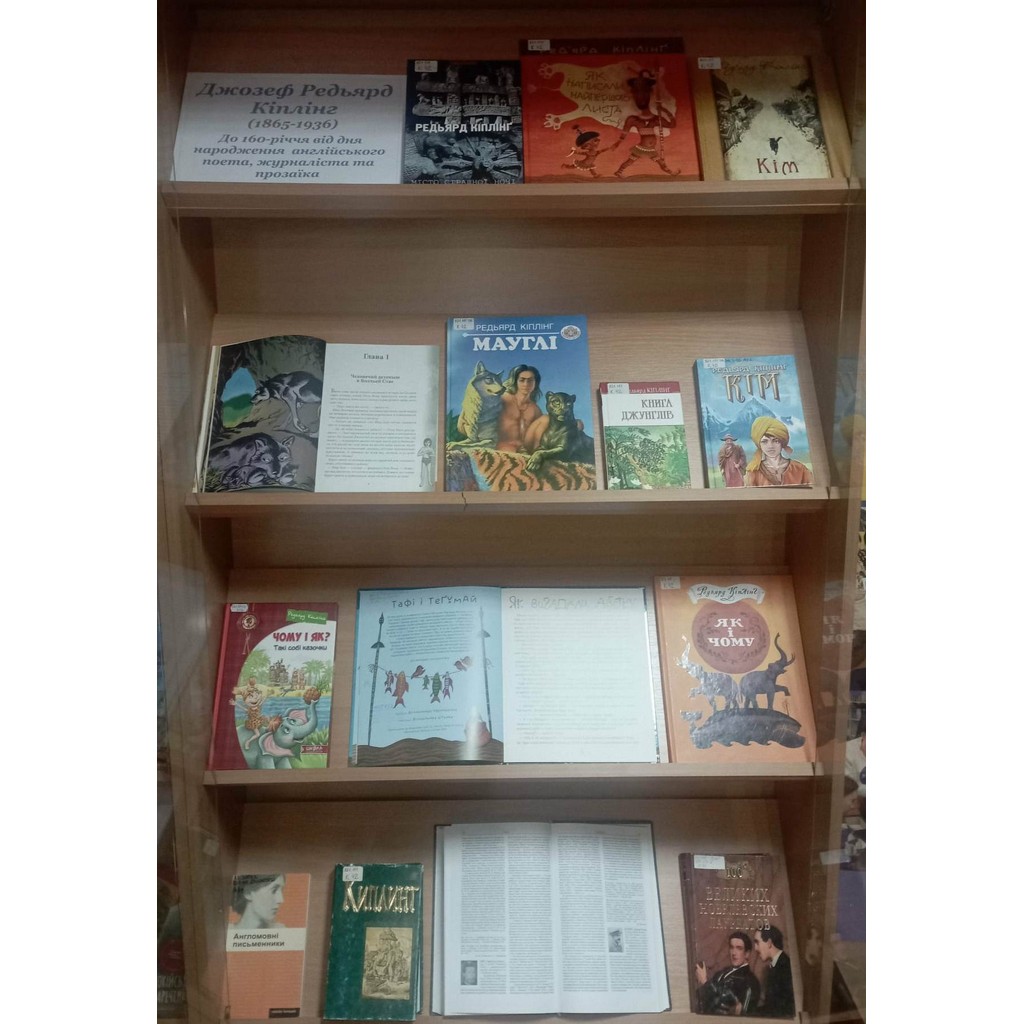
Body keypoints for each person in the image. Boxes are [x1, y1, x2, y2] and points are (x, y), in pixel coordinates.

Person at [695, 930, 760, 1015]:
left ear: (747, 953)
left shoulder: (750, 981)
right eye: (731, 947)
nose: (734, 953)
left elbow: (736, 1011)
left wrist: (704, 982)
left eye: (739, 948)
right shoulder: (722, 973)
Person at [744, 416, 813, 487]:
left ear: (782, 443)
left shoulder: (800, 469)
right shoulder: (753, 472)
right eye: (764, 441)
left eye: (775, 441)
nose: (770, 446)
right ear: (759, 444)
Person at [752, 925, 795, 1017]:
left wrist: (749, 1013)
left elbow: (778, 1009)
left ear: (769, 943)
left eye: (757, 942)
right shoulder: (779, 965)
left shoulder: (784, 967)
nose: (755, 948)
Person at [497, 365, 543, 452]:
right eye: (522, 380)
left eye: (530, 380)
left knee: (546, 419)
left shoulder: (535, 409)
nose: (526, 384)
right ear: (515, 382)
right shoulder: (504, 399)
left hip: (525, 450)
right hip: (503, 447)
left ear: (535, 383)